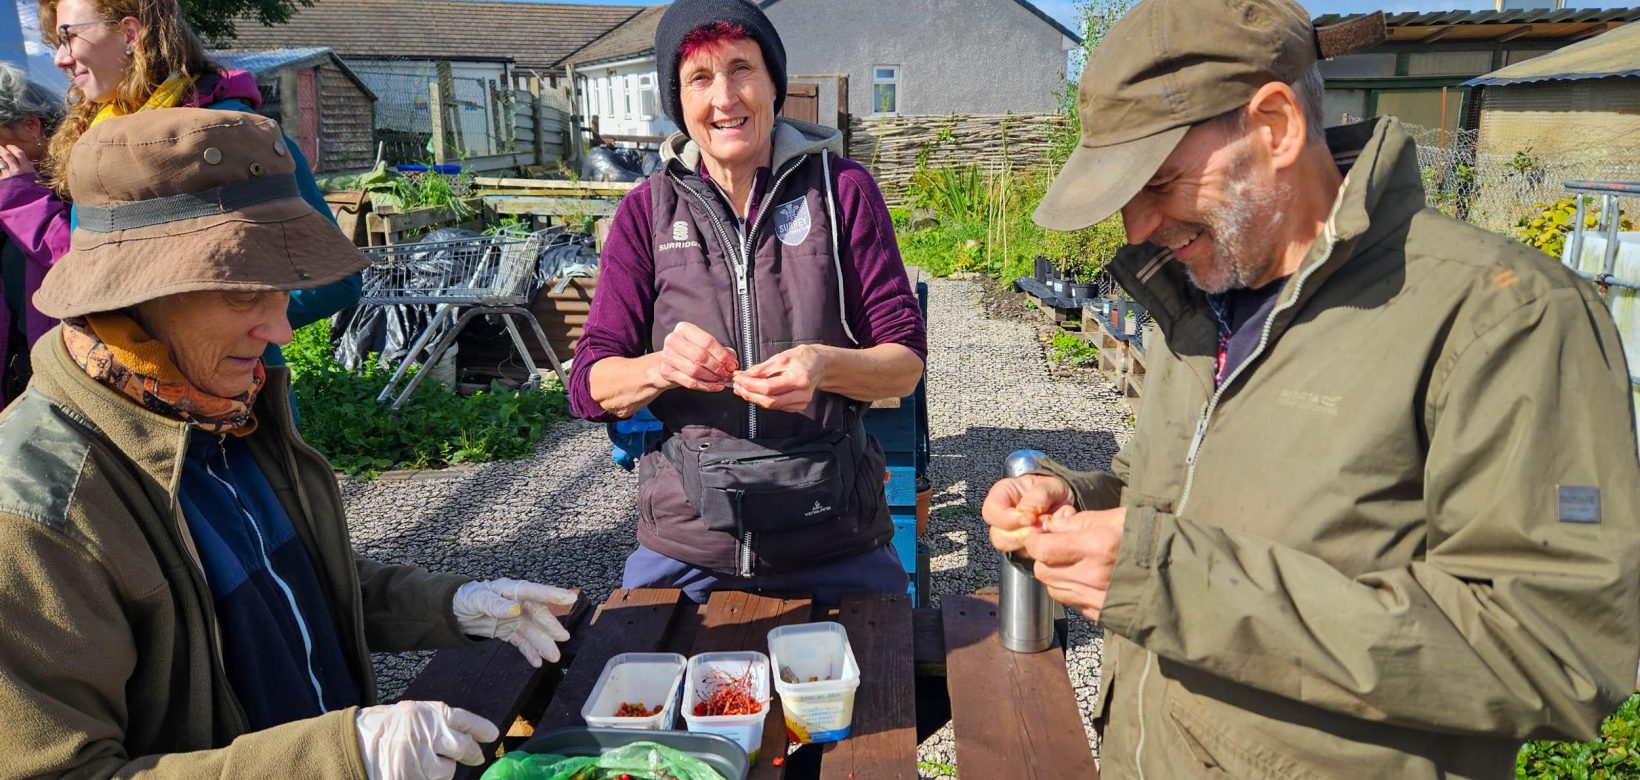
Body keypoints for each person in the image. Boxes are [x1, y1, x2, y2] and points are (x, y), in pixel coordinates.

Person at [983, 0, 1640, 777]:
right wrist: (1081, 505)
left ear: (1276, 127)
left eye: (1158, 181)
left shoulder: (1503, 315)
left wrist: (1167, 578)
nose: (1134, 228)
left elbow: (1554, 648)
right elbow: (1172, 498)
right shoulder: (1198, 302)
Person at [0, 108, 577, 779]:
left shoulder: (222, 409)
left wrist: (450, 605)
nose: (280, 329)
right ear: (133, 293)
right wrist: (339, 757)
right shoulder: (37, 514)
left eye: (282, 287)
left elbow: (295, 589)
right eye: (245, 291)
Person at [569, 0, 927, 606]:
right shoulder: (645, 213)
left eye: (742, 70)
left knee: (888, 687)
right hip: (690, 547)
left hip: (836, 535)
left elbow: (906, 362)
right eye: (700, 79)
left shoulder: (842, 193)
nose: (724, 99)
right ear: (677, 101)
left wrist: (825, 365)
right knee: (623, 676)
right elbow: (588, 385)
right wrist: (661, 367)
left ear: (773, 85)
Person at [36, 0, 359, 384]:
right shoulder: (96, 148)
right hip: (123, 395)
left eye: (68, 37)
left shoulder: (239, 141)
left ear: (129, 33)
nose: (60, 59)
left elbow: (335, 280)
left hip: (230, 406)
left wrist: (215, 326)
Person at [0, 63, 68, 405]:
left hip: (58, 385)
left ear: (30, 126)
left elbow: (78, 264)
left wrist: (24, 198)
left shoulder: (80, 180)